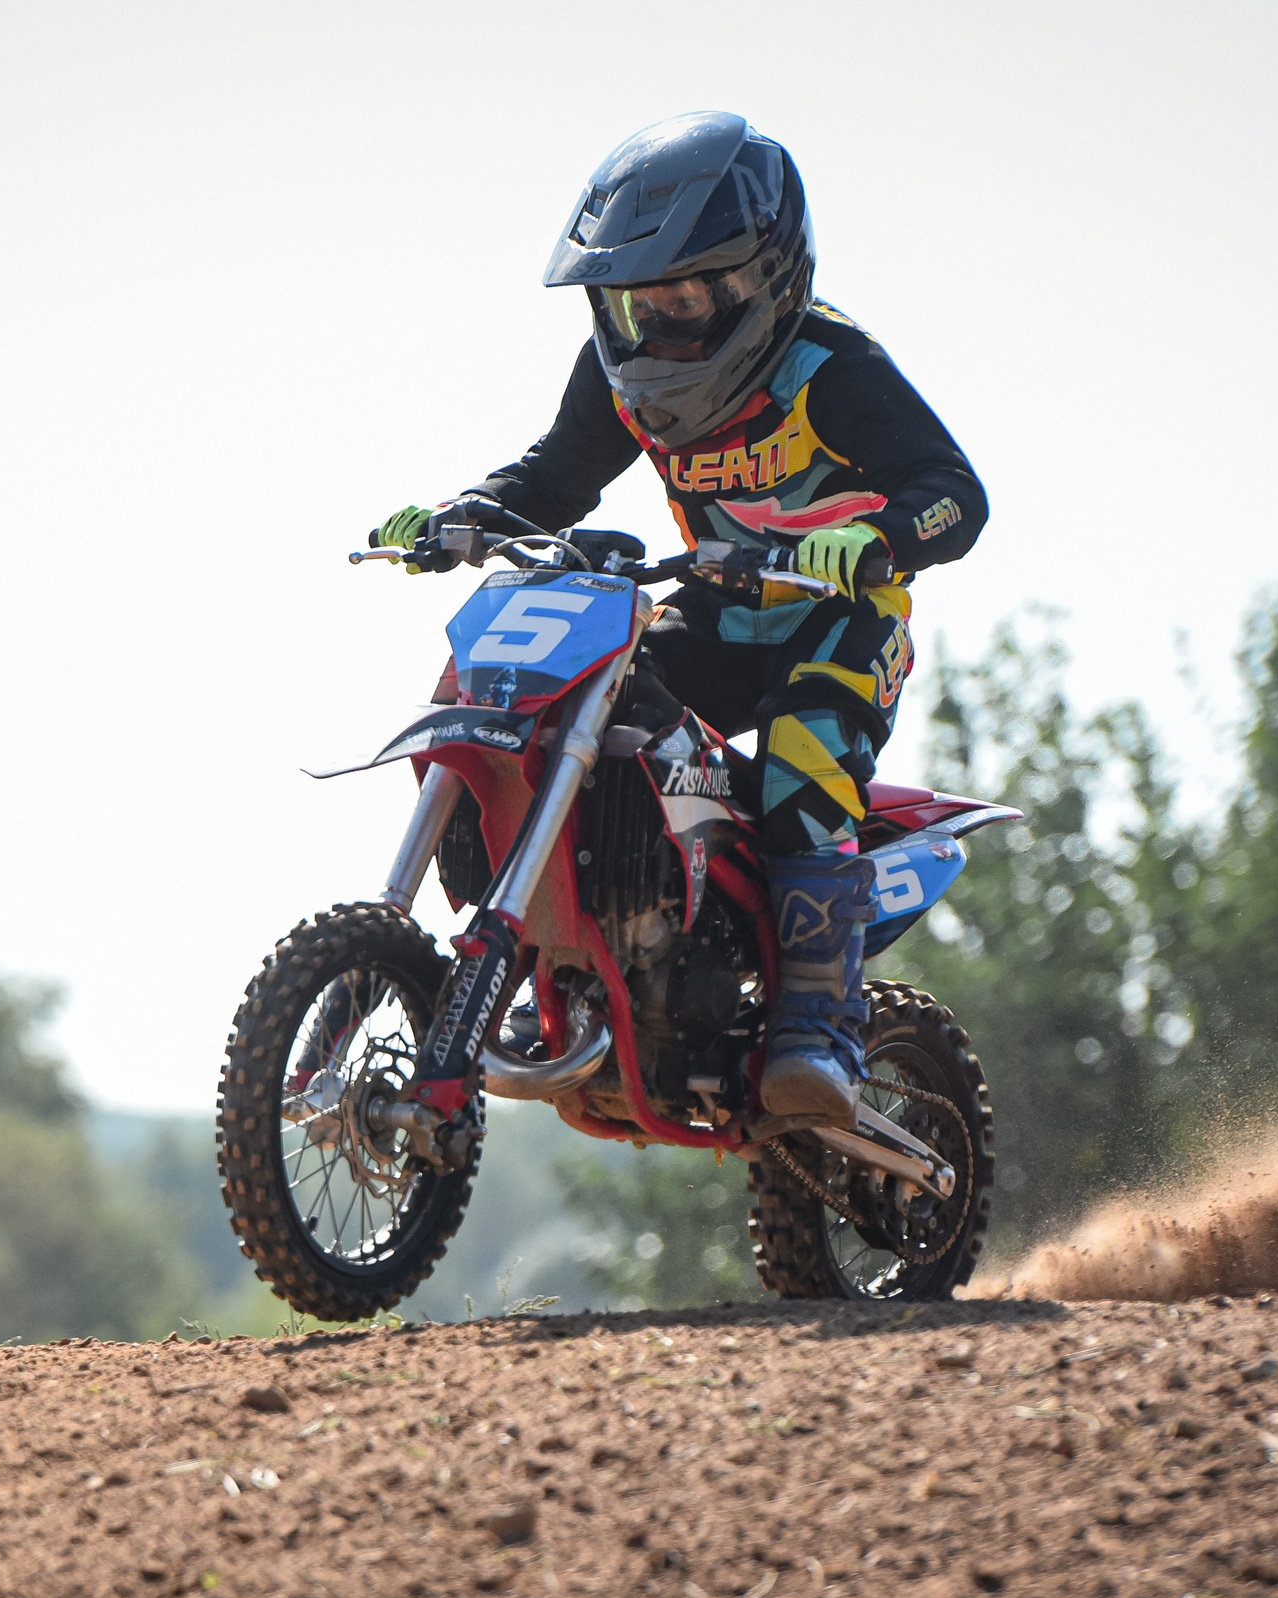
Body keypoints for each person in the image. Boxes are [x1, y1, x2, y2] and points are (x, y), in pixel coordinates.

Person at [374, 111, 987, 1123]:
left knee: (802, 768)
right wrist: (462, 517)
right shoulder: (619, 377)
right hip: (711, 612)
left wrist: (877, 536)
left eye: (684, 294)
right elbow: (554, 476)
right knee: (584, 713)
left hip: (836, 620)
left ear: (759, 277)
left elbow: (954, 494)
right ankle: (583, 964)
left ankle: (815, 1028)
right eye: (634, 300)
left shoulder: (828, 367)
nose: (656, 321)